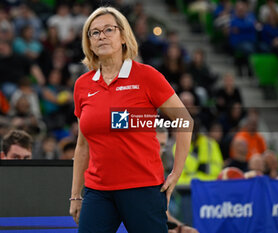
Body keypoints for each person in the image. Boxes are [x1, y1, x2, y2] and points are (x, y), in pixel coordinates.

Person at [69, 7, 193, 233]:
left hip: (143, 188)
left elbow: (185, 120)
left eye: (109, 29)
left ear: (124, 36)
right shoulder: (82, 85)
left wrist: (176, 172)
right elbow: (82, 144)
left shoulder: (147, 76)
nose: (101, 36)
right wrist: (75, 195)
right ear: (89, 43)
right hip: (98, 191)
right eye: (94, 33)